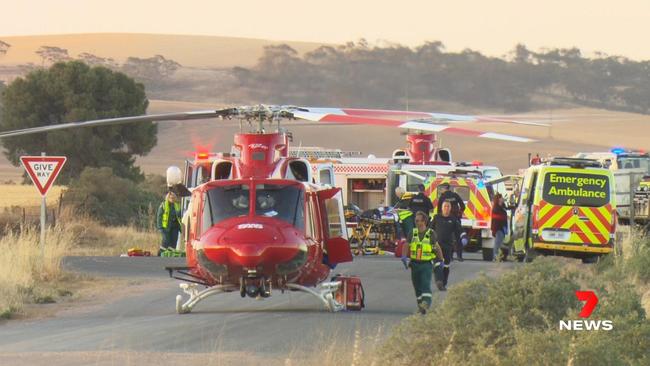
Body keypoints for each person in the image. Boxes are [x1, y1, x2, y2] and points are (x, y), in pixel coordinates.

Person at [401, 211, 445, 314]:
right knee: (417, 287)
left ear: (424, 221)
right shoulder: (412, 232)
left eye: (418, 220)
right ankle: (420, 305)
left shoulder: (431, 234)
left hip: (426, 265)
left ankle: (426, 304)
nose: (416, 222)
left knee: (425, 284)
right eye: (415, 220)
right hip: (414, 264)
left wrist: (441, 259)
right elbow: (406, 244)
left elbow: (437, 247)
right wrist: (404, 256)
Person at [431, 201, 466, 288]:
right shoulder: (436, 217)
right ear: (442, 208)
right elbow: (429, 229)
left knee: (446, 265)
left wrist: (464, 237)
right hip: (437, 245)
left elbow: (460, 230)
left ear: (450, 208)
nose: (446, 208)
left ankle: (443, 283)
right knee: (438, 264)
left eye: (448, 206)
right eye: (445, 206)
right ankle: (439, 281)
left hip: (448, 246)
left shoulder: (453, 219)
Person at [156, 192, 182, 256]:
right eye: (170, 198)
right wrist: (160, 227)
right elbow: (159, 216)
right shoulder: (163, 205)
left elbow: (180, 216)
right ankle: (160, 254)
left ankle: (170, 256)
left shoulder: (177, 205)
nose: (172, 199)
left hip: (175, 227)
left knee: (173, 242)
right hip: (165, 227)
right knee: (166, 240)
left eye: (173, 198)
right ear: (167, 198)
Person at [491, 193, 508, 262]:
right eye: (501, 197)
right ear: (499, 199)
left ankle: (498, 257)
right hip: (498, 228)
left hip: (502, 227)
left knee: (500, 243)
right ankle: (495, 257)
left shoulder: (502, 206)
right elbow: (496, 219)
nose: (503, 198)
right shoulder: (496, 208)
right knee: (497, 243)